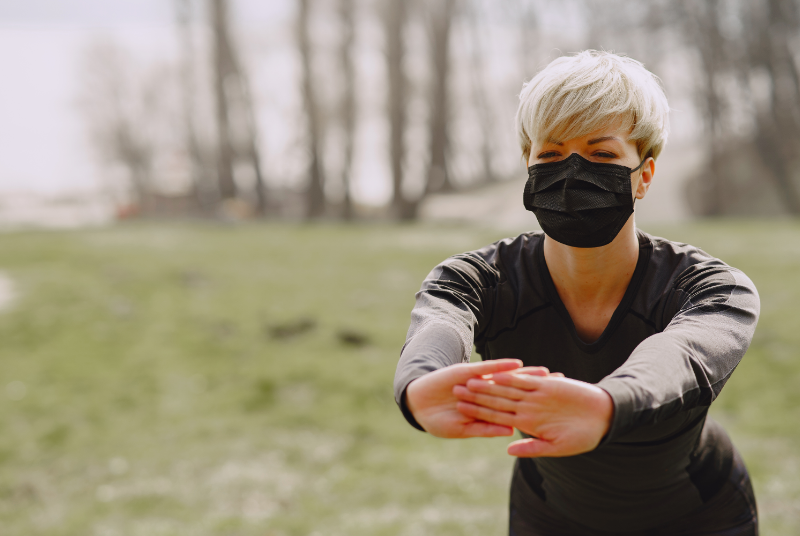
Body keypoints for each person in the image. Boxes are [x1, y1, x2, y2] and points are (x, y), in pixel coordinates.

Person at [393, 50, 760, 535]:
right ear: (528, 164)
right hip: (548, 514)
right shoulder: (478, 278)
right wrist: (419, 385)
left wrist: (608, 404)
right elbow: (440, 323)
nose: (571, 174)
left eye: (602, 154)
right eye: (549, 153)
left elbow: (683, 353)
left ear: (644, 175)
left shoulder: (713, 287)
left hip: (699, 514)